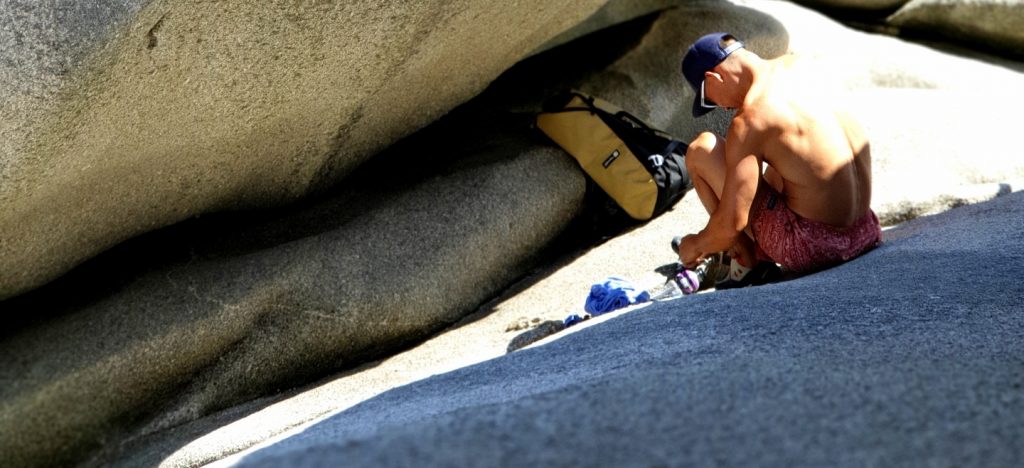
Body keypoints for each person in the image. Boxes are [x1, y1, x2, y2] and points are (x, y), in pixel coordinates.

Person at [675, 32, 881, 286]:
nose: (723, 108)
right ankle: (744, 256)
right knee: (782, 162)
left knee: (701, 149)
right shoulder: (805, 65)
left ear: (713, 78)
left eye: (709, 100)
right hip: (867, 228)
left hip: (816, 247)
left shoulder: (751, 118)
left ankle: (747, 261)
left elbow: (731, 224)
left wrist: (695, 245)